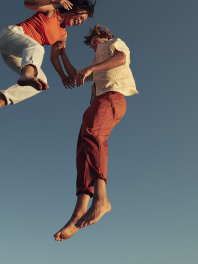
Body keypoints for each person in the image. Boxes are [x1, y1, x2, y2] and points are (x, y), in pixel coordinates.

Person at [54, 24, 138, 241]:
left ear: (104, 36)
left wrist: (91, 69)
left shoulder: (113, 43)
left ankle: (102, 200)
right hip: (97, 103)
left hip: (113, 97)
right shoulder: (96, 62)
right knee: (82, 151)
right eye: (91, 43)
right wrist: (63, 54)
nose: (93, 44)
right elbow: (75, 75)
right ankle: (78, 213)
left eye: (95, 40)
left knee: (93, 134)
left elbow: (121, 59)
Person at [0, 0, 98, 119]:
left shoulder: (63, 35)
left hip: (16, 54)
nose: (80, 21)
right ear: (75, 8)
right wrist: (55, 1)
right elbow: (27, 3)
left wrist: (63, 76)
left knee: (41, 82)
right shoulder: (52, 10)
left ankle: (1, 101)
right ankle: (27, 75)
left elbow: (55, 57)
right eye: (80, 17)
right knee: (37, 47)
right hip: (10, 36)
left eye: (83, 21)